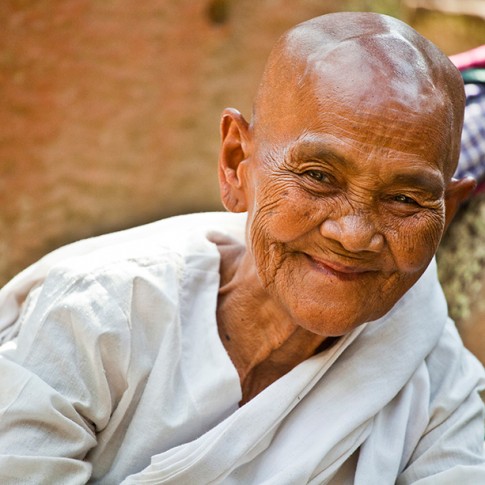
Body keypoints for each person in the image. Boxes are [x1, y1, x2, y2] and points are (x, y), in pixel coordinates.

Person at [0, 11, 484, 484]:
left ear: (447, 214)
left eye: (404, 199)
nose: (354, 233)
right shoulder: (97, 317)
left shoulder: (441, 388)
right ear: (237, 165)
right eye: (318, 177)